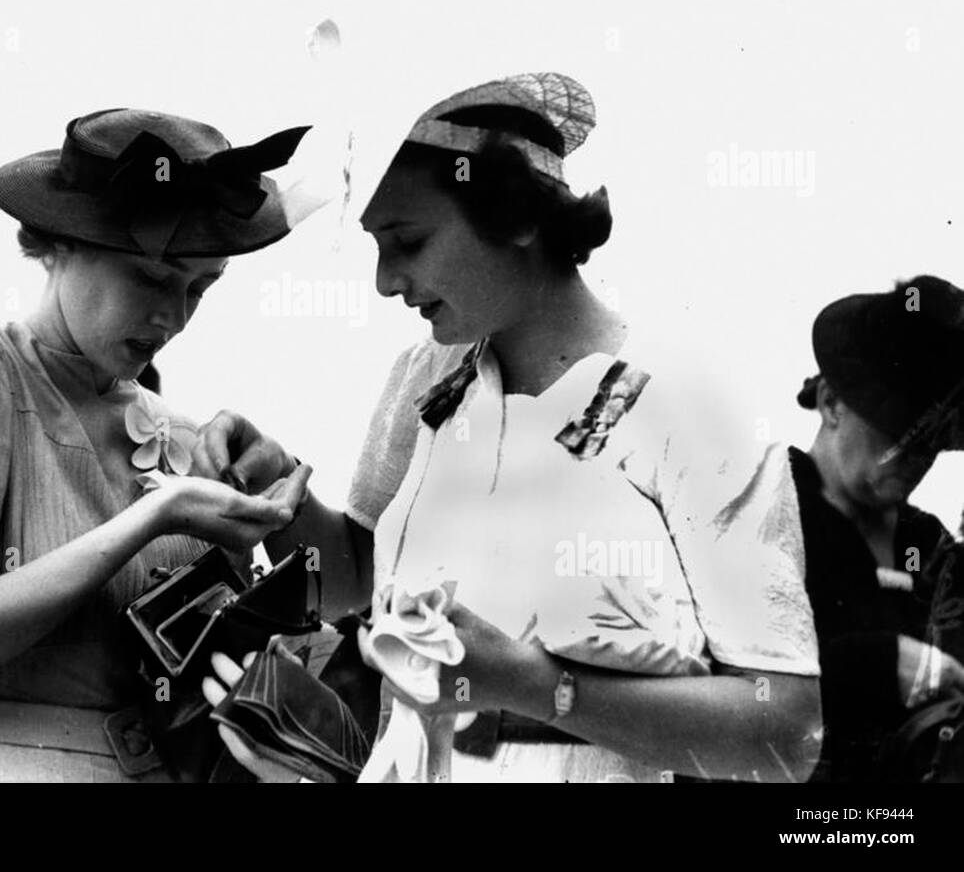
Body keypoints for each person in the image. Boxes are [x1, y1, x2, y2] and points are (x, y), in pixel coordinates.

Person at [197, 73, 823, 782]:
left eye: (407, 240)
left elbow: (787, 733)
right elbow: (359, 583)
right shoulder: (426, 380)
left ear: (519, 217)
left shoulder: (689, 405)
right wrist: (278, 484)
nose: (383, 281)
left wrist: (535, 686)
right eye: (375, 244)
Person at [0, 108, 318, 782]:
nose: (175, 317)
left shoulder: (186, 438)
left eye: (201, 287)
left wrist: (278, 493)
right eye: (151, 278)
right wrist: (152, 517)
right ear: (59, 244)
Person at [788, 275, 964, 782]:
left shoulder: (928, 543)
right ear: (830, 402)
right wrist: (873, 665)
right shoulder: (761, 504)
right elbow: (713, 677)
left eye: (929, 444)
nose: (913, 461)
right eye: (895, 434)